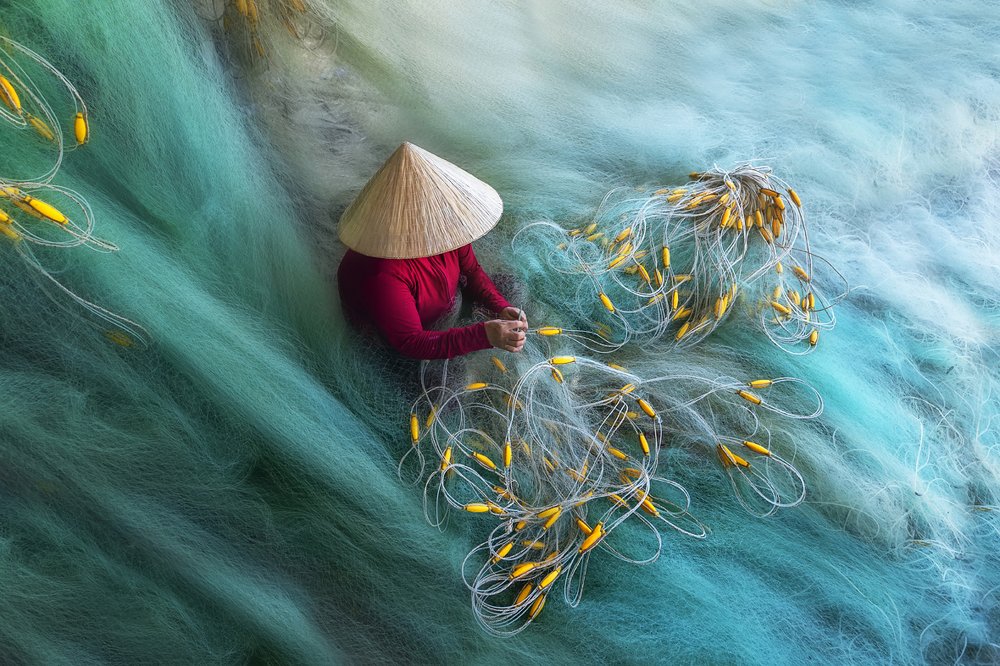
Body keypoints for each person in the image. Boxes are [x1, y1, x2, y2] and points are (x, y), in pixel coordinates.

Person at [336, 142, 526, 360]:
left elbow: (472, 271)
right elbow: (411, 341)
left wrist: (500, 307)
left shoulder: (449, 228)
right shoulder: (381, 273)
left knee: (514, 290)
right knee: (453, 380)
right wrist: (483, 335)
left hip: (440, 303)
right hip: (396, 339)